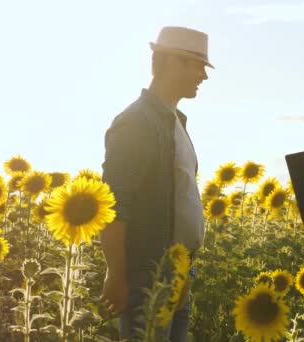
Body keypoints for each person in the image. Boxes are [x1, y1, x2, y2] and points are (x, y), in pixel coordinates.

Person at [100, 26, 212, 341]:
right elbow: (114, 205)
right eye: (198, 65)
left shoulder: (175, 120)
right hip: (148, 274)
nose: (204, 75)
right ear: (172, 61)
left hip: (178, 271)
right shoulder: (137, 123)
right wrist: (117, 275)